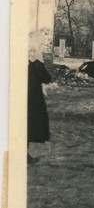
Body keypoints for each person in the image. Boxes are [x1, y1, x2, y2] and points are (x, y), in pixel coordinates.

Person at [28, 31, 52, 165]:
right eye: (41, 43)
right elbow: (47, 78)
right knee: (31, 123)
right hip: (34, 97)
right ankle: (23, 155)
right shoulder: (35, 59)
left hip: (23, 95)